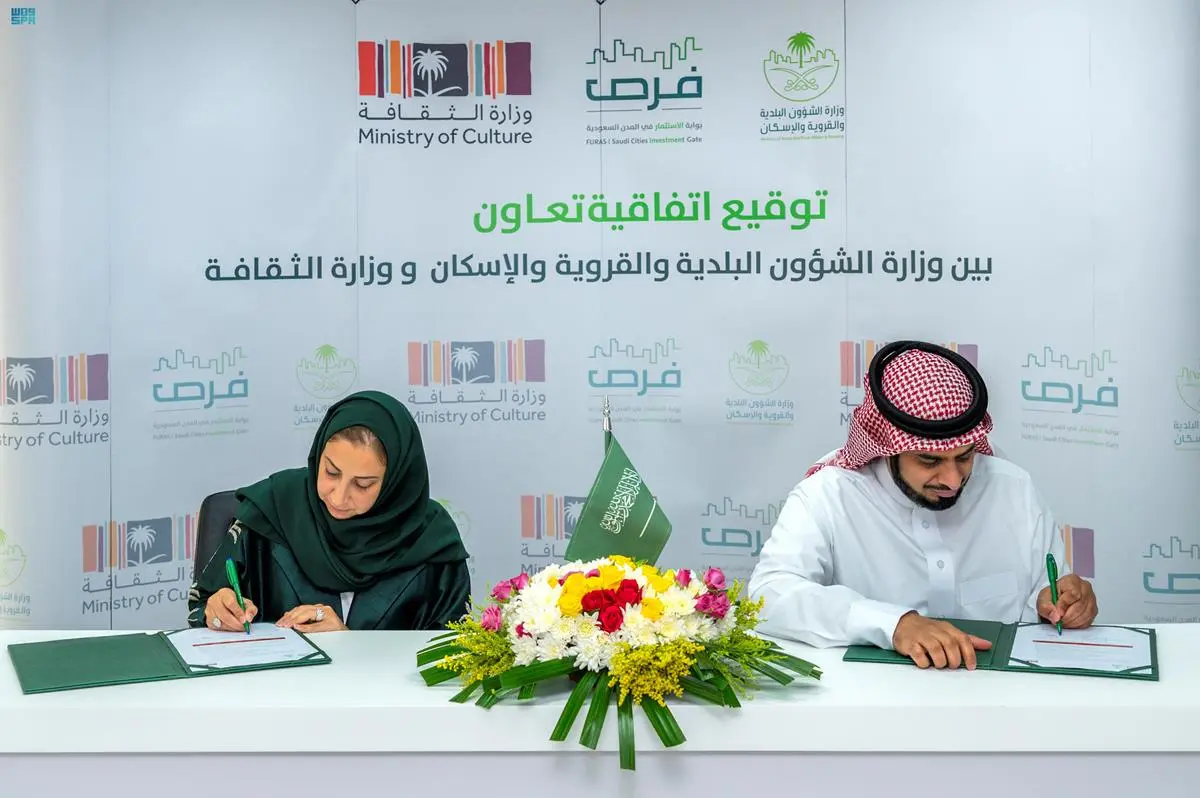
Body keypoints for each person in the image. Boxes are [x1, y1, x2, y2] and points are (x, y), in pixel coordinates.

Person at [748, 340, 1098, 669]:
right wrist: (894, 624)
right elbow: (769, 595)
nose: (953, 480)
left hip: (1002, 697)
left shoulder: (1013, 489)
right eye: (930, 461)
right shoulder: (829, 495)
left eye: (964, 457)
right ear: (888, 448)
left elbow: (1048, 592)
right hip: (871, 701)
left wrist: (1062, 603)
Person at [187, 390, 471, 633]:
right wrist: (217, 610)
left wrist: (351, 644)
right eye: (331, 472)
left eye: (363, 484)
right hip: (273, 682)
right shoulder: (272, 509)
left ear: (395, 483)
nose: (338, 496)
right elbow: (202, 604)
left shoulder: (431, 538)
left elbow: (452, 650)